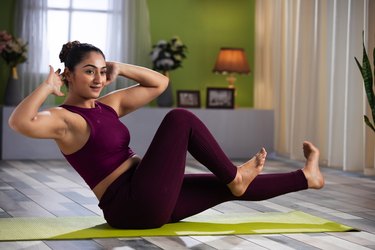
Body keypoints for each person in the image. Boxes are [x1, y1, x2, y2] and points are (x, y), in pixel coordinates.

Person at [8, 41, 324, 229]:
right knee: (180, 118)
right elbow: (20, 123)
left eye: (102, 71)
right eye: (89, 70)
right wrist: (46, 88)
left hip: (148, 193)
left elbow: (159, 83)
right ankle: (236, 176)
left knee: (227, 187)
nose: (98, 78)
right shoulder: (66, 119)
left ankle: (307, 178)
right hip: (131, 203)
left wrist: (120, 66)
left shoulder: (108, 105)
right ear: (69, 75)